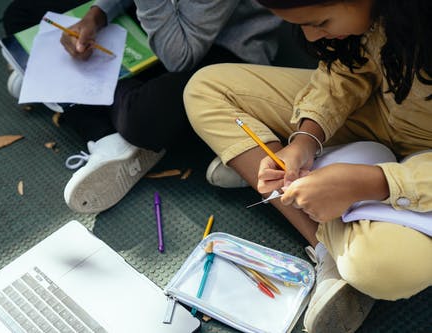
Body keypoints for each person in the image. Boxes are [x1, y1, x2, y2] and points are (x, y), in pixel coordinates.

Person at [184, 0, 432, 332]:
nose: (312, 38)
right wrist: (305, 138)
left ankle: (278, 174)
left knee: (384, 269)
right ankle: (327, 248)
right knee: (205, 89)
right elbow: (349, 69)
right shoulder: (381, 13)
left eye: (320, 21)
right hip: (378, 110)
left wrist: (370, 182)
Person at [2, 0, 282, 214]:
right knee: (23, 13)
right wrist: (97, 14)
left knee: (143, 118)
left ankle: (56, 81)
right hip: (158, 22)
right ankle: (103, 131)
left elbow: (179, 55)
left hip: (219, 51)